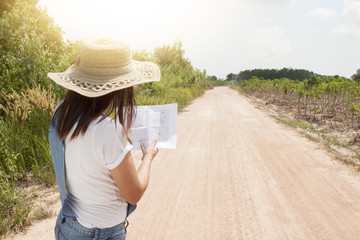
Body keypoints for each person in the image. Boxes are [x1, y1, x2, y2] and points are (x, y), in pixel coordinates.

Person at [47, 38, 161, 240]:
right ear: (118, 86)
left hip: (69, 226)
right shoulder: (108, 131)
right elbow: (133, 194)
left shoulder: (62, 111)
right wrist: (148, 158)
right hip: (100, 235)